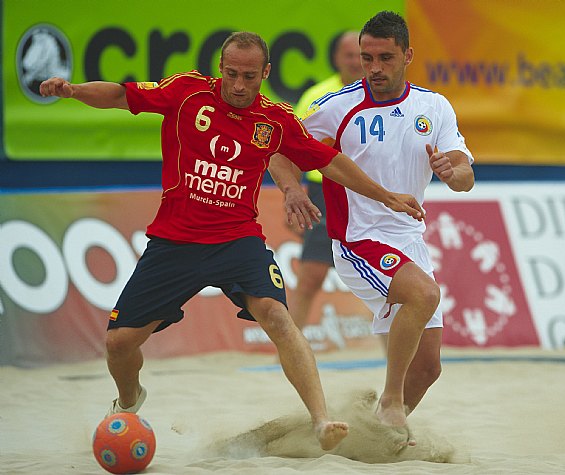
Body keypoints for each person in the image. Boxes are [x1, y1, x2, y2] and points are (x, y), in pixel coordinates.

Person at [39, 31, 424, 451]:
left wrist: (385, 196)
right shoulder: (186, 93)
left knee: (278, 317)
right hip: (174, 241)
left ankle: (321, 420)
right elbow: (118, 95)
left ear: (266, 73)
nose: (239, 85)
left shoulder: (275, 120)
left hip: (237, 240)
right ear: (220, 68)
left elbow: (331, 162)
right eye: (232, 74)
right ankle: (129, 399)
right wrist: (73, 90)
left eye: (250, 76)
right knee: (118, 343)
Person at [269, 11, 475, 442]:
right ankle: (393, 405)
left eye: (385, 57)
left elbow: (464, 174)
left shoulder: (433, 106)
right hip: (356, 238)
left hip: (410, 241)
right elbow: (278, 151)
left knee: (429, 367)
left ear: (407, 56)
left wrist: (450, 173)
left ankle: (371, 433)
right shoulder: (335, 106)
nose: (375, 68)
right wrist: (292, 191)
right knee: (423, 294)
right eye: (367, 58)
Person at [287, 31, 362, 332]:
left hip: (366, 192)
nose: (357, 62)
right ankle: (288, 349)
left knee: (386, 280)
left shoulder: (380, 95)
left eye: (362, 55)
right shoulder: (317, 97)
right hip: (323, 191)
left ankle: (391, 356)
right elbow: (289, 150)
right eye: (350, 55)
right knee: (311, 276)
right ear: (336, 59)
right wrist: (290, 197)